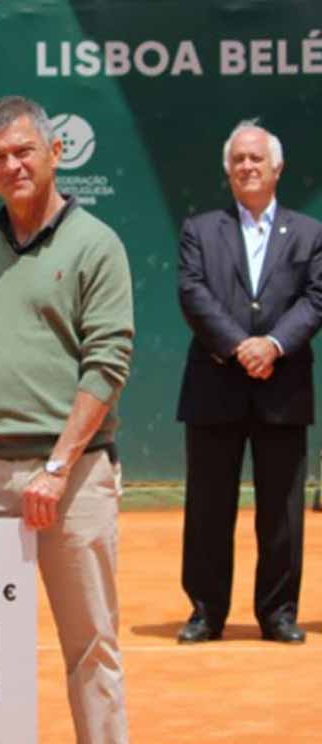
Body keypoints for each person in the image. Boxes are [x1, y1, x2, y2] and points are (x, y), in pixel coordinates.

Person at [0, 96, 133, 743]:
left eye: (23, 151)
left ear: (54, 153)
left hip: (73, 481)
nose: (12, 165)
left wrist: (56, 466)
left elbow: (108, 363)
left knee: (91, 648)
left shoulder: (97, 244)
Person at [175, 121, 322, 645]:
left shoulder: (309, 232)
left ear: (277, 167)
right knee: (208, 508)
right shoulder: (200, 229)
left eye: (256, 158)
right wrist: (241, 346)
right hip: (215, 385)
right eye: (237, 159)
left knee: (282, 512)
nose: (247, 166)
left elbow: (316, 299)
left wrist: (274, 345)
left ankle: (278, 612)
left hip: (283, 388)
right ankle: (206, 612)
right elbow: (193, 293)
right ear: (227, 170)